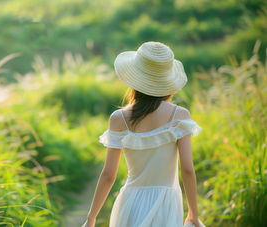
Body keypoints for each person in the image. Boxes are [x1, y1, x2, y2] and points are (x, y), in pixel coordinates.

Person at [81, 41, 205, 227]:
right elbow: (187, 169)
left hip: (130, 201)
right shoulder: (179, 115)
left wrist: (91, 218)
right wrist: (193, 213)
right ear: (166, 82)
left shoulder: (119, 118)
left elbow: (108, 174)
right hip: (166, 202)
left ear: (135, 79)